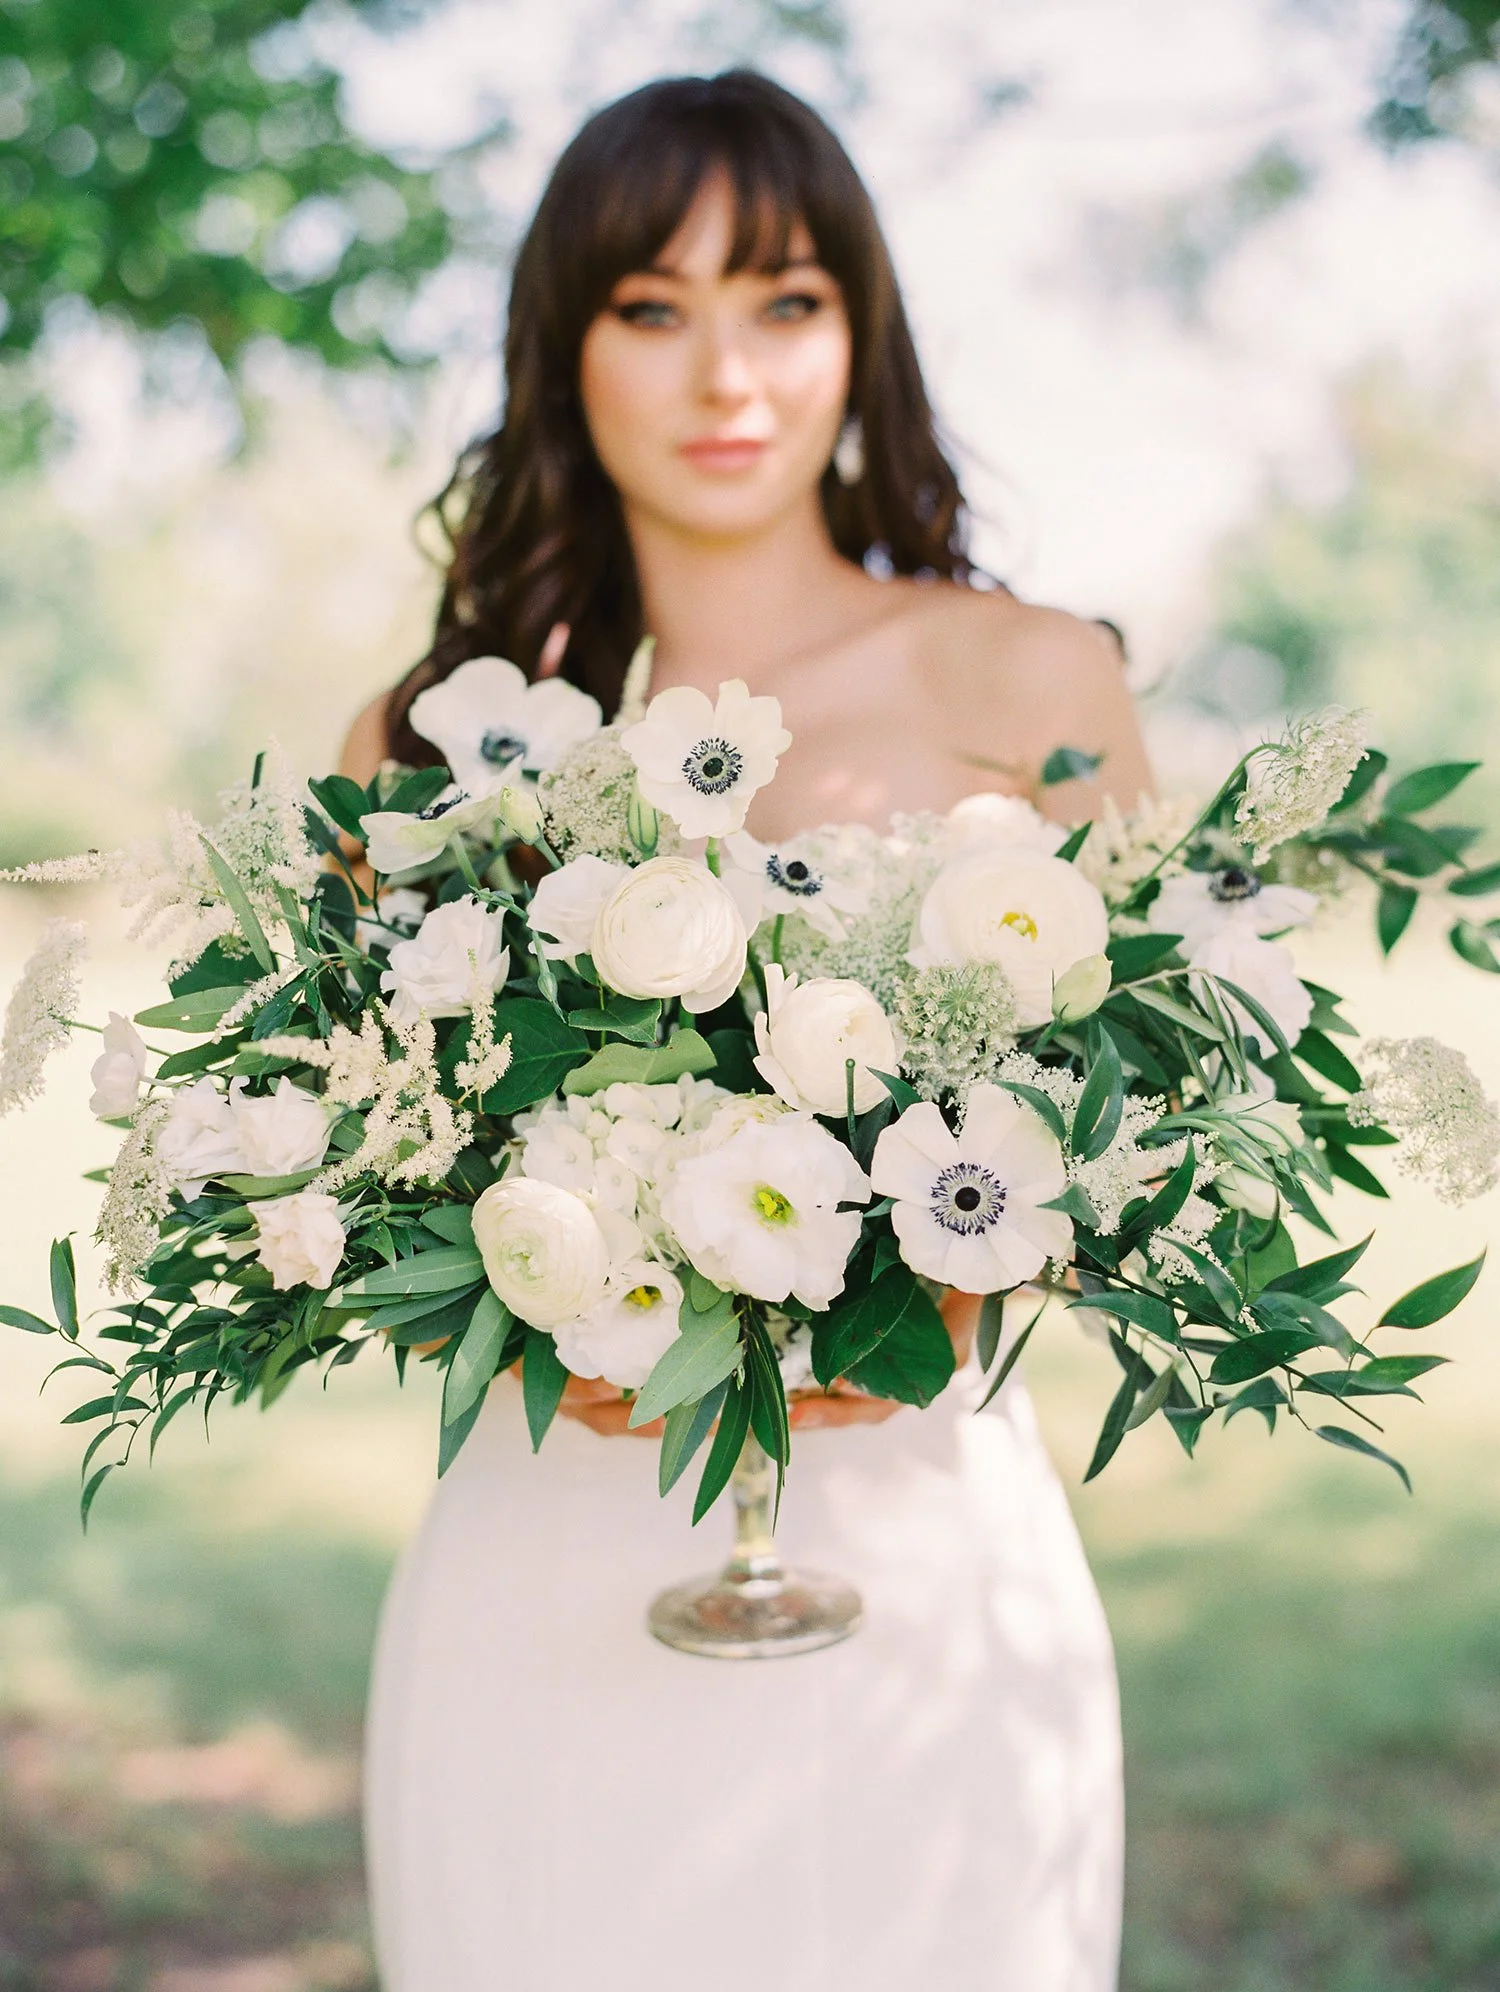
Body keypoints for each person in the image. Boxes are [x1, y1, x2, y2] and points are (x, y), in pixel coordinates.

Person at [346, 69, 1151, 1992]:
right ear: (568, 343)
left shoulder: (1026, 678)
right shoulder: (429, 748)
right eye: (655, 306)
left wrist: (979, 1275)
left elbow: (1153, 1135)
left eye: (785, 298)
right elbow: (366, 1176)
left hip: (931, 1567)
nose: (729, 372)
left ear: (859, 333)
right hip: (551, 1564)